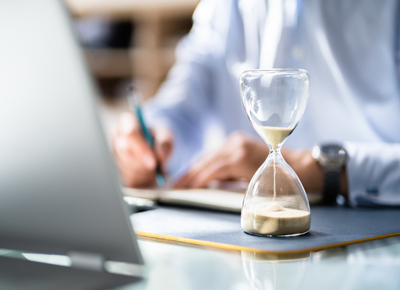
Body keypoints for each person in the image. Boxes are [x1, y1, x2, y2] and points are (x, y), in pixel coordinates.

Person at [112, 0, 400, 207]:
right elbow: (183, 106)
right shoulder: (224, 7)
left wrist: (322, 169)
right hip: (239, 237)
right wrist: (149, 141)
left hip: (374, 220)